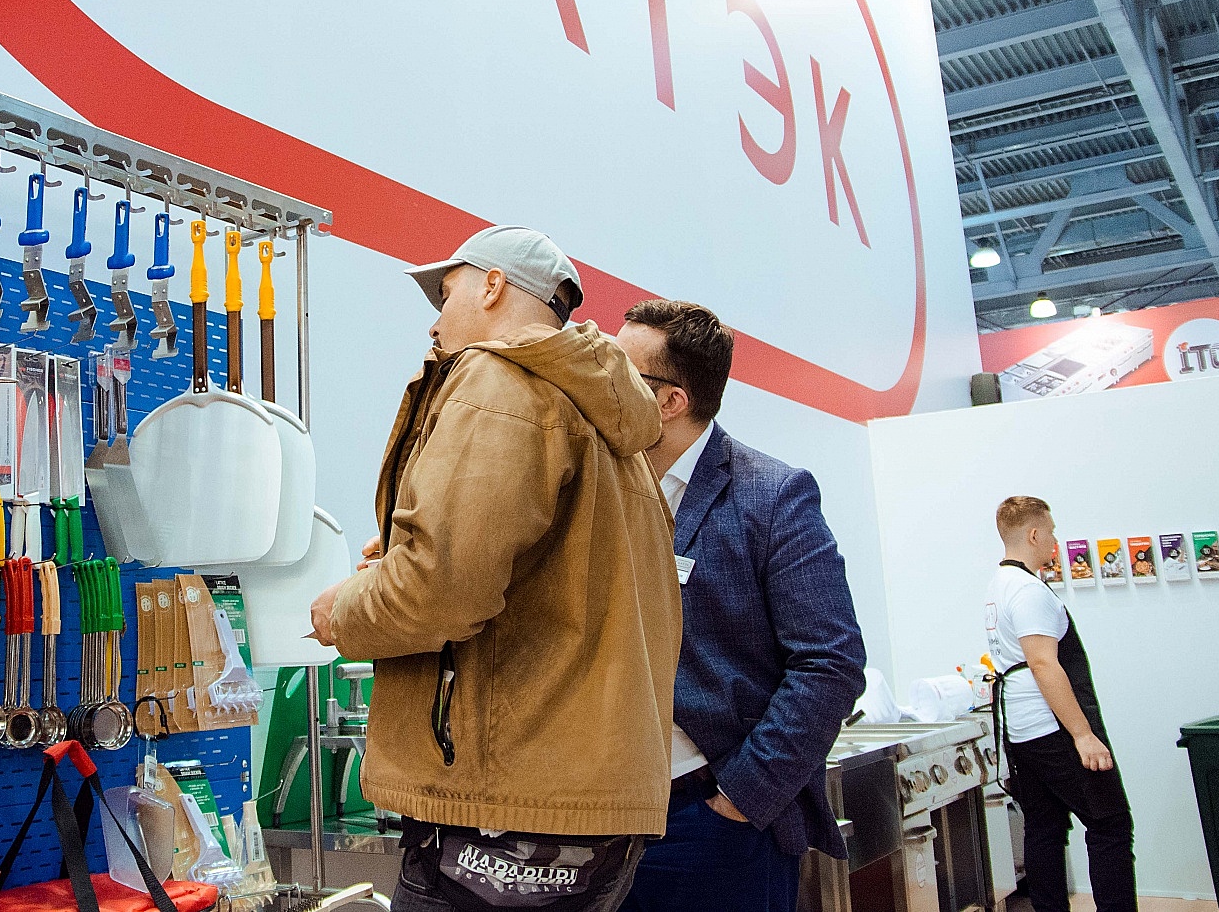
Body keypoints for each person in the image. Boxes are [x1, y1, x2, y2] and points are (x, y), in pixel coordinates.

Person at [308, 226, 680, 912]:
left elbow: (439, 591)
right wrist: (406, 552)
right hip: (591, 811)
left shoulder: (498, 381)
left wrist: (345, 610)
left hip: (503, 806)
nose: (434, 321)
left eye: (446, 294)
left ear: (492, 286)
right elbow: (541, 576)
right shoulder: (605, 419)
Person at [614, 300, 866, 912]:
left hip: (711, 824)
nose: (600, 382)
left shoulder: (771, 496)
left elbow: (830, 664)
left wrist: (737, 802)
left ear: (669, 400)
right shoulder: (602, 490)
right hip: (602, 823)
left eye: (618, 371)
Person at [985, 496, 1136, 912]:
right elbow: (1042, 663)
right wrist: (1083, 735)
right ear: (1034, 534)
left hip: (1020, 728)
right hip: (1052, 727)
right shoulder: (1028, 591)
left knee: (1044, 827)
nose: (1055, 540)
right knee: (1110, 823)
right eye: (1051, 532)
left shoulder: (999, 584)